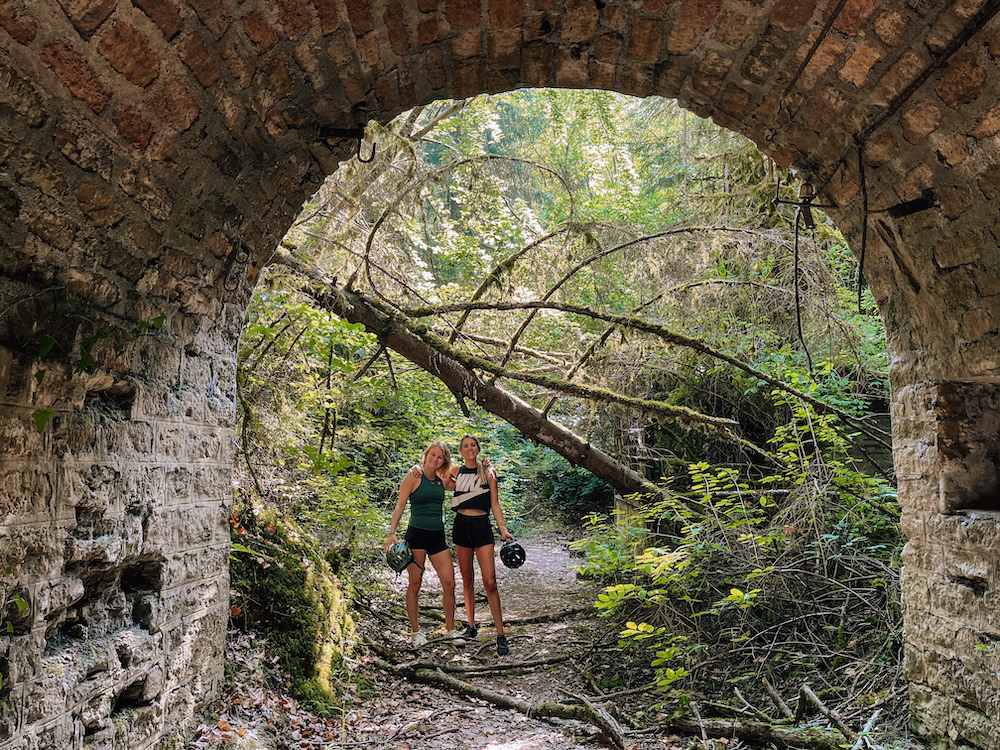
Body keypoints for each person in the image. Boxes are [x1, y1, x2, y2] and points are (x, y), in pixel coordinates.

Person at [415, 434, 515, 655]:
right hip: (461, 526)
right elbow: (432, 470)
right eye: (465, 446)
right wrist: (416, 469)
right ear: (460, 451)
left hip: (482, 526)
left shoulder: (489, 473)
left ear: (478, 449)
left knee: (490, 582)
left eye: (473, 445)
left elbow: (495, 504)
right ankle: (471, 626)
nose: (470, 448)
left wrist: (503, 529)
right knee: (467, 578)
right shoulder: (456, 472)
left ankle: (500, 634)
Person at [385, 440, 460, 646]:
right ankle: (416, 632)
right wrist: (392, 533)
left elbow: (464, 476)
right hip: (416, 536)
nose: (436, 459)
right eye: (433, 455)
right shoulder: (413, 476)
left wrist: (483, 467)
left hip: (438, 537)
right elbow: (400, 505)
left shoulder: (441, 479)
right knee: (415, 584)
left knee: (449, 583)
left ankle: (451, 630)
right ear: (426, 455)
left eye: (440, 457)